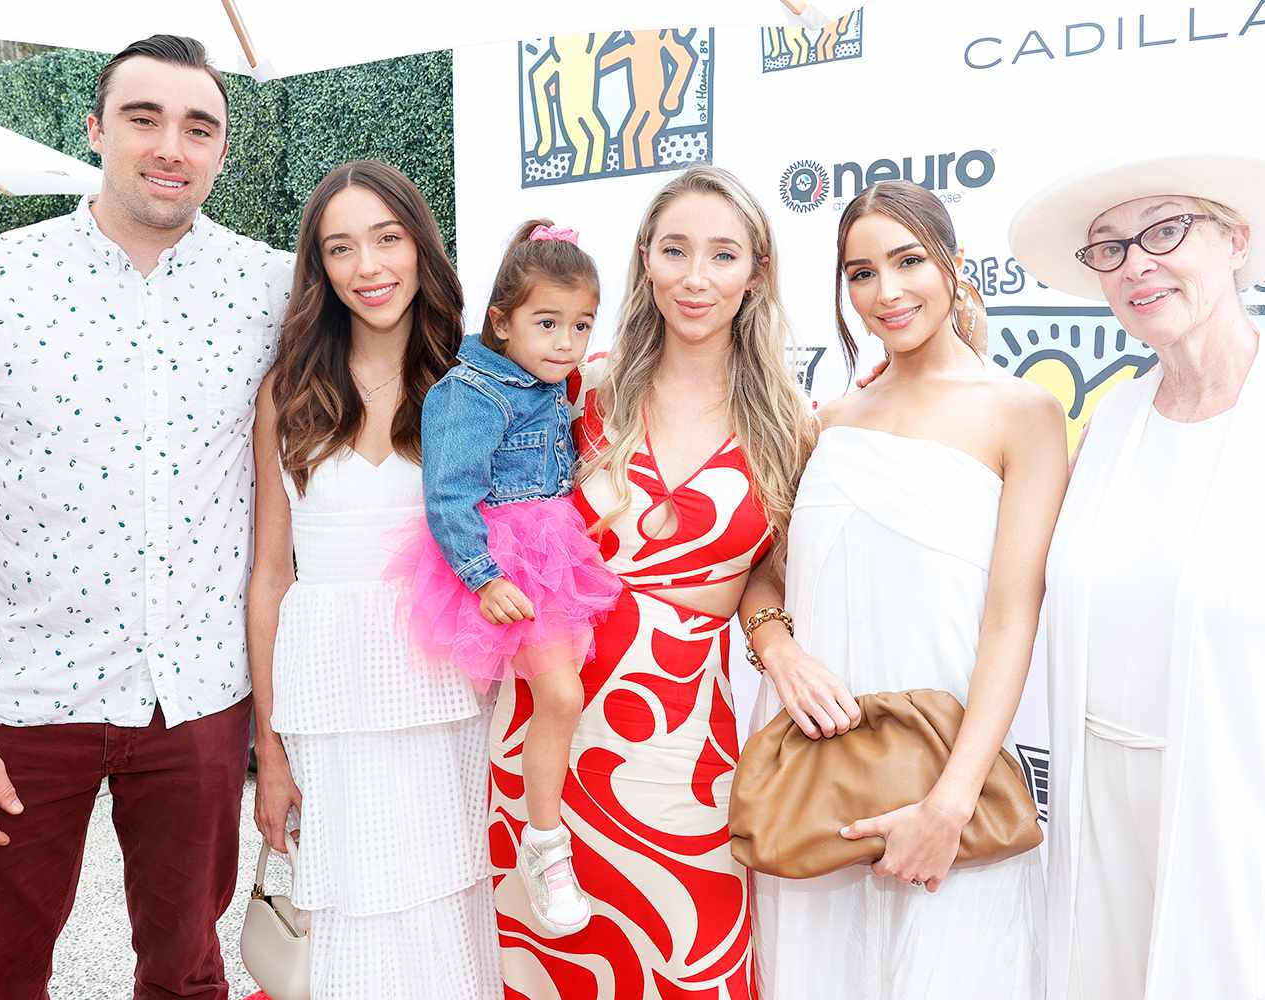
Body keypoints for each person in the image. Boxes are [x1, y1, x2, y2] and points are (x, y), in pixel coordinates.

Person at [0, 35, 292, 998]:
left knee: (188, 974)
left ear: (222, 150)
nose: (171, 145)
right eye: (143, 118)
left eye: (198, 127)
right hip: (16, 706)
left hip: (198, 698)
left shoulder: (275, 292)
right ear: (94, 129)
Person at [1008, 153, 1265, 999]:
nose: (1137, 264)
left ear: (1237, 241)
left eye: (1165, 230)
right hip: (1108, 840)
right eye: (1111, 248)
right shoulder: (1109, 425)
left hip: (1263, 852)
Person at [488, 164, 817, 998]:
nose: (695, 278)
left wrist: (772, 640)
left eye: (721, 255)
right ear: (645, 260)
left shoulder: (791, 422)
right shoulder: (580, 390)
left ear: (758, 271)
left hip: (683, 738)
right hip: (551, 734)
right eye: (675, 250)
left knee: (688, 953)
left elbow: (767, 571)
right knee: (549, 965)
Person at [741, 180, 1063, 999]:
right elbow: (764, 570)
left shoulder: (1022, 412)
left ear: (954, 267)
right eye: (860, 272)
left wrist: (950, 806)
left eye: (908, 261)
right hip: (819, 781)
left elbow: (1011, 618)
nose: (886, 292)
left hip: (948, 783)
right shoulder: (829, 420)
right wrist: (776, 648)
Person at [247, 160, 502, 998]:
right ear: (319, 269)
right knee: (349, 914)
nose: (369, 267)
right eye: (341, 248)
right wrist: (269, 749)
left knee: (451, 899)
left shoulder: (477, 382)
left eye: (387, 238)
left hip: (450, 688)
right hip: (325, 693)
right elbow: (270, 577)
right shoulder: (288, 392)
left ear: (421, 247)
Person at [384, 219, 620, 936]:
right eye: (547, 323)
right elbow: (448, 496)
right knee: (558, 694)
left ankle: (537, 830)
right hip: (507, 556)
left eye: (579, 325)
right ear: (502, 321)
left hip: (554, 547)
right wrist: (484, 577)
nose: (564, 342)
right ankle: (544, 843)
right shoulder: (470, 391)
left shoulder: (553, 378)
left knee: (560, 697)